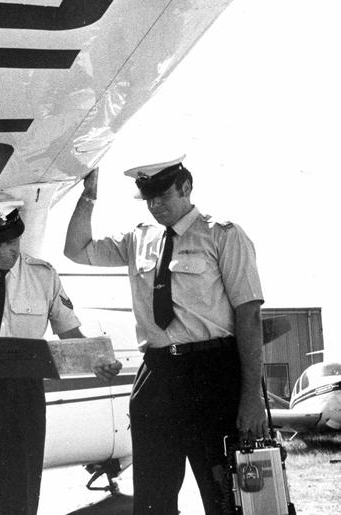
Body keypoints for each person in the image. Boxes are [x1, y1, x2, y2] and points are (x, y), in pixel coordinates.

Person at [64, 156, 267, 515]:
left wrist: (251, 397)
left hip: (213, 373)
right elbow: (76, 250)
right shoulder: (139, 239)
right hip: (157, 373)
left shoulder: (223, 235)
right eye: (149, 200)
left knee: (226, 494)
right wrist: (88, 198)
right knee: (153, 499)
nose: (156, 207)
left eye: (163, 197)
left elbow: (249, 316)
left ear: (186, 188)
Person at [0, 196, 120, 515]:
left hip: (21, 394)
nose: (5, 252)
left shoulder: (44, 276)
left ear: (20, 235)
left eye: (11, 242)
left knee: (19, 494)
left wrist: (98, 360)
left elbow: (70, 334)